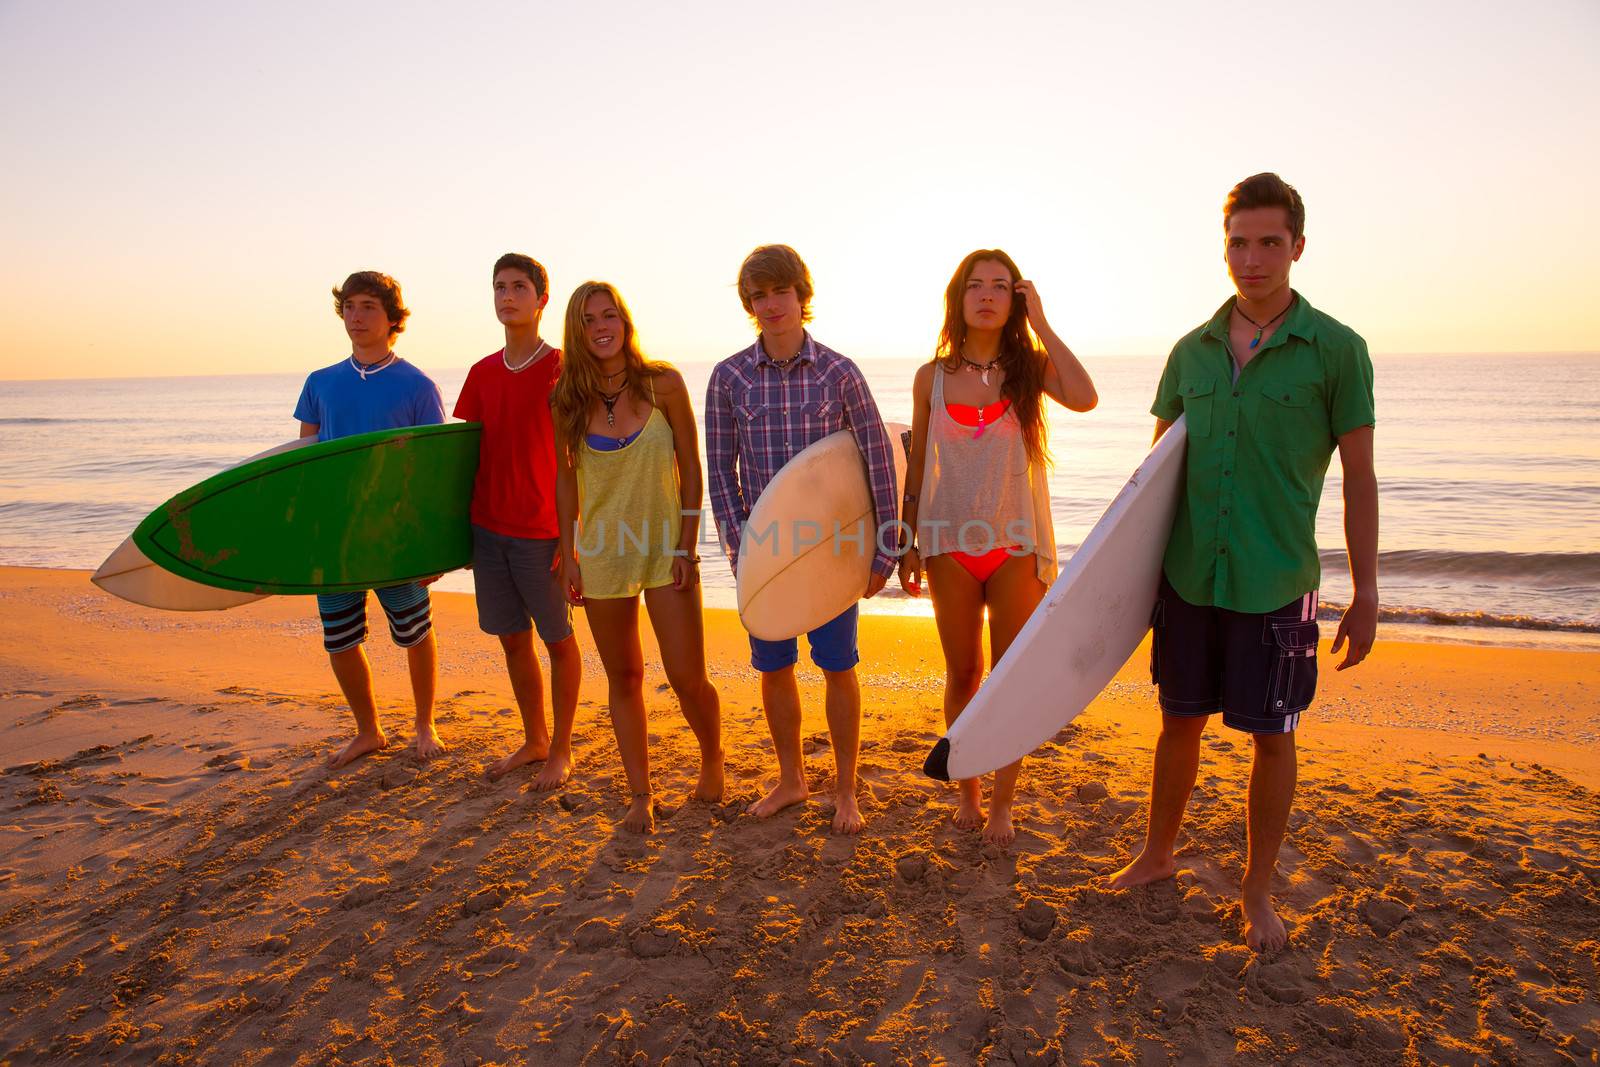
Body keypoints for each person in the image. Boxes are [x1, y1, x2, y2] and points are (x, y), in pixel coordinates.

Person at [1110, 173, 1379, 953]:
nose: (1251, 258)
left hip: (1275, 581)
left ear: (1297, 247)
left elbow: (1359, 477)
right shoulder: (1189, 351)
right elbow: (1151, 478)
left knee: (1272, 737)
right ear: (1222, 246)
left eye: (1268, 242)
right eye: (1238, 242)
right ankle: (1157, 856)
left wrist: (1366, 593)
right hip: (1190, 577)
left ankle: (1258, 891)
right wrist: (1127, 588)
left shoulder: (1337, 350)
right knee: (1177, 723)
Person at [899, 250, 1097, 845]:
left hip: (1016, 543)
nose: (987, 295)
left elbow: (1085, 397)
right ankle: (968, 789)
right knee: (963, 672)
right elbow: (917, 463)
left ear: (1017, 300)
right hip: (947, 542)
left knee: (1009, 677)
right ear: (958, 299)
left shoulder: (1029, 368)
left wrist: (1042, 325)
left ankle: (1004, 802)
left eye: (1001, 287)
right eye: (975, 285)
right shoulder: (931, 377)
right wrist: (907, 539)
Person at [705, 244, 899, 835]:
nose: (771, 305)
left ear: (801, 295)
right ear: (749, 304)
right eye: (758, 296)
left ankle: (845, 790)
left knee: (839, 665)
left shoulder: (840, 372)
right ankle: (791, 779)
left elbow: (877, 462)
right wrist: (741, 551)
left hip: (834, 552)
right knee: (775, 666)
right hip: (767, 554)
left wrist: (885, 548)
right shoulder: (728, 377)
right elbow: (721, 472)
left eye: (780, 292)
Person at [550, 282, 724, 832]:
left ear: (624, 322)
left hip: (665, 550)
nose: (601, 326)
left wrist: (687, 546)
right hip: (601, 553)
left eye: (609, 315)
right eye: (588, 319)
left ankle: (713, 758)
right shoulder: (566, 400)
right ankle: (641, 796)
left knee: (685, 675)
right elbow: (566, 479)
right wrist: (569, 550)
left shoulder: (664, 384)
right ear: (577, 333)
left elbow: (691, 469)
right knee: (623, 677)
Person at [293, 271, 446, 769]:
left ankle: (425, 723)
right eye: (350, 307)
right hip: (336, 537)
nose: (356, 317)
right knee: (339, 637)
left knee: (415, 632)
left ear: (391, 319)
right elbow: (303, 464)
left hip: (395, 538)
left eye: (368, 308)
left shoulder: (418, 385)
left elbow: (434, 472)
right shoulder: (319, 383)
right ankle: (368, 730)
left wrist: (435, 545)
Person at [453, 253, 583, 786]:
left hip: (543, 534)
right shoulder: (481, 373)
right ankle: (533, 739)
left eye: (519, 287)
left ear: (541, 300)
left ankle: (561, 748)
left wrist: (571, 540)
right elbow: (460, 461)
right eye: (499, 287)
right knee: (511, 639)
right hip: (489, 531)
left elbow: (580, 461)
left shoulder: (563, 370)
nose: (507, 296)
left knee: (558, 641)